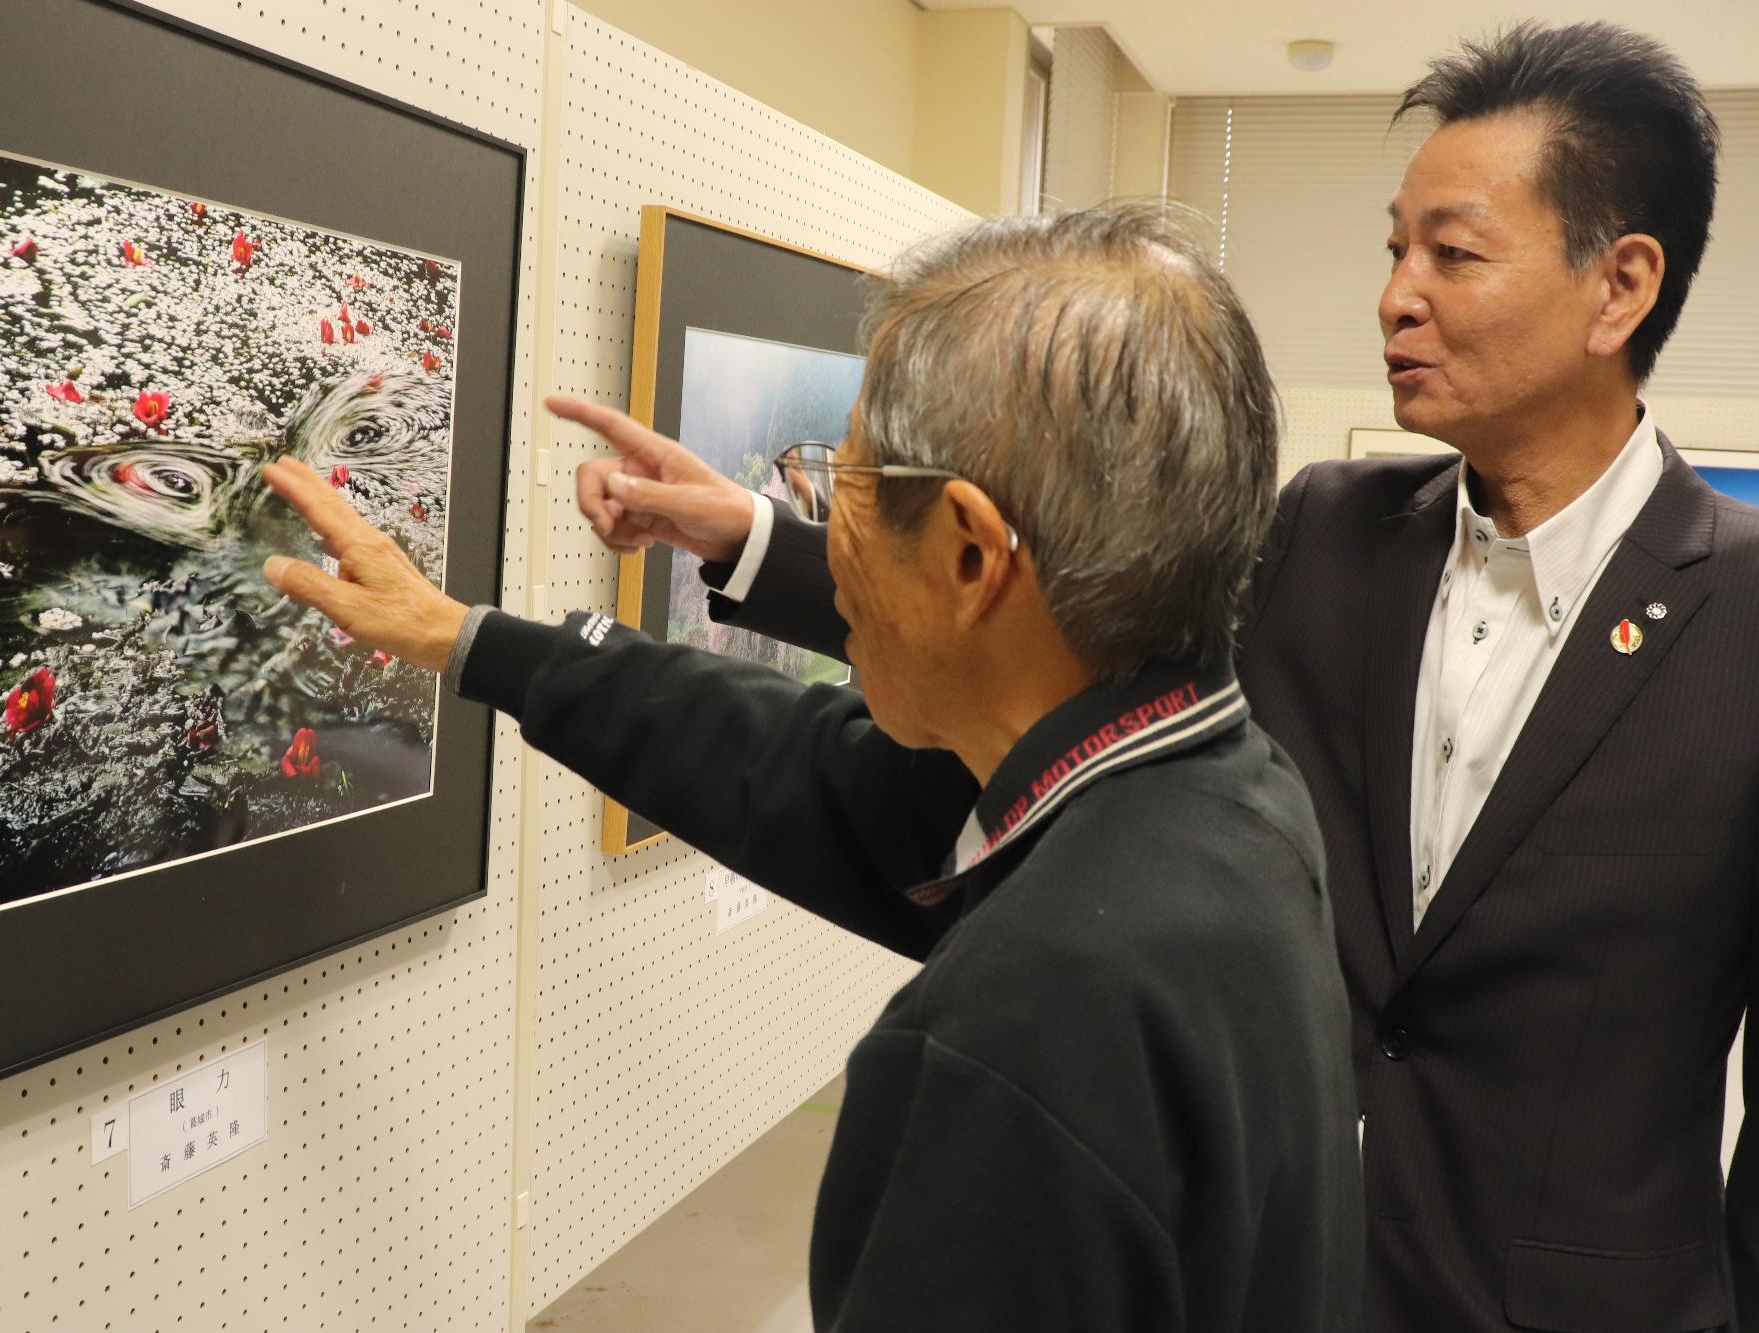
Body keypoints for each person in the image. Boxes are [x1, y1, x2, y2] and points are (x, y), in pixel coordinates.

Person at [585, 21, 1756, 1333]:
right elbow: (1057, 604)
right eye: (1393, 248)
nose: (1395, 295)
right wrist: (750, 539)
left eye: (1454, 253)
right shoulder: (1327, 531)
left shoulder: (1745, 621)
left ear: (1622, 287)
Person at [261, 203, 1365, 1330]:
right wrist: (472, 639)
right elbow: (806, 763)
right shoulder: (1220, 791)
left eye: (844, 482)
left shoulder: (1017, 1032)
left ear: (971, 551)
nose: (823, 523)